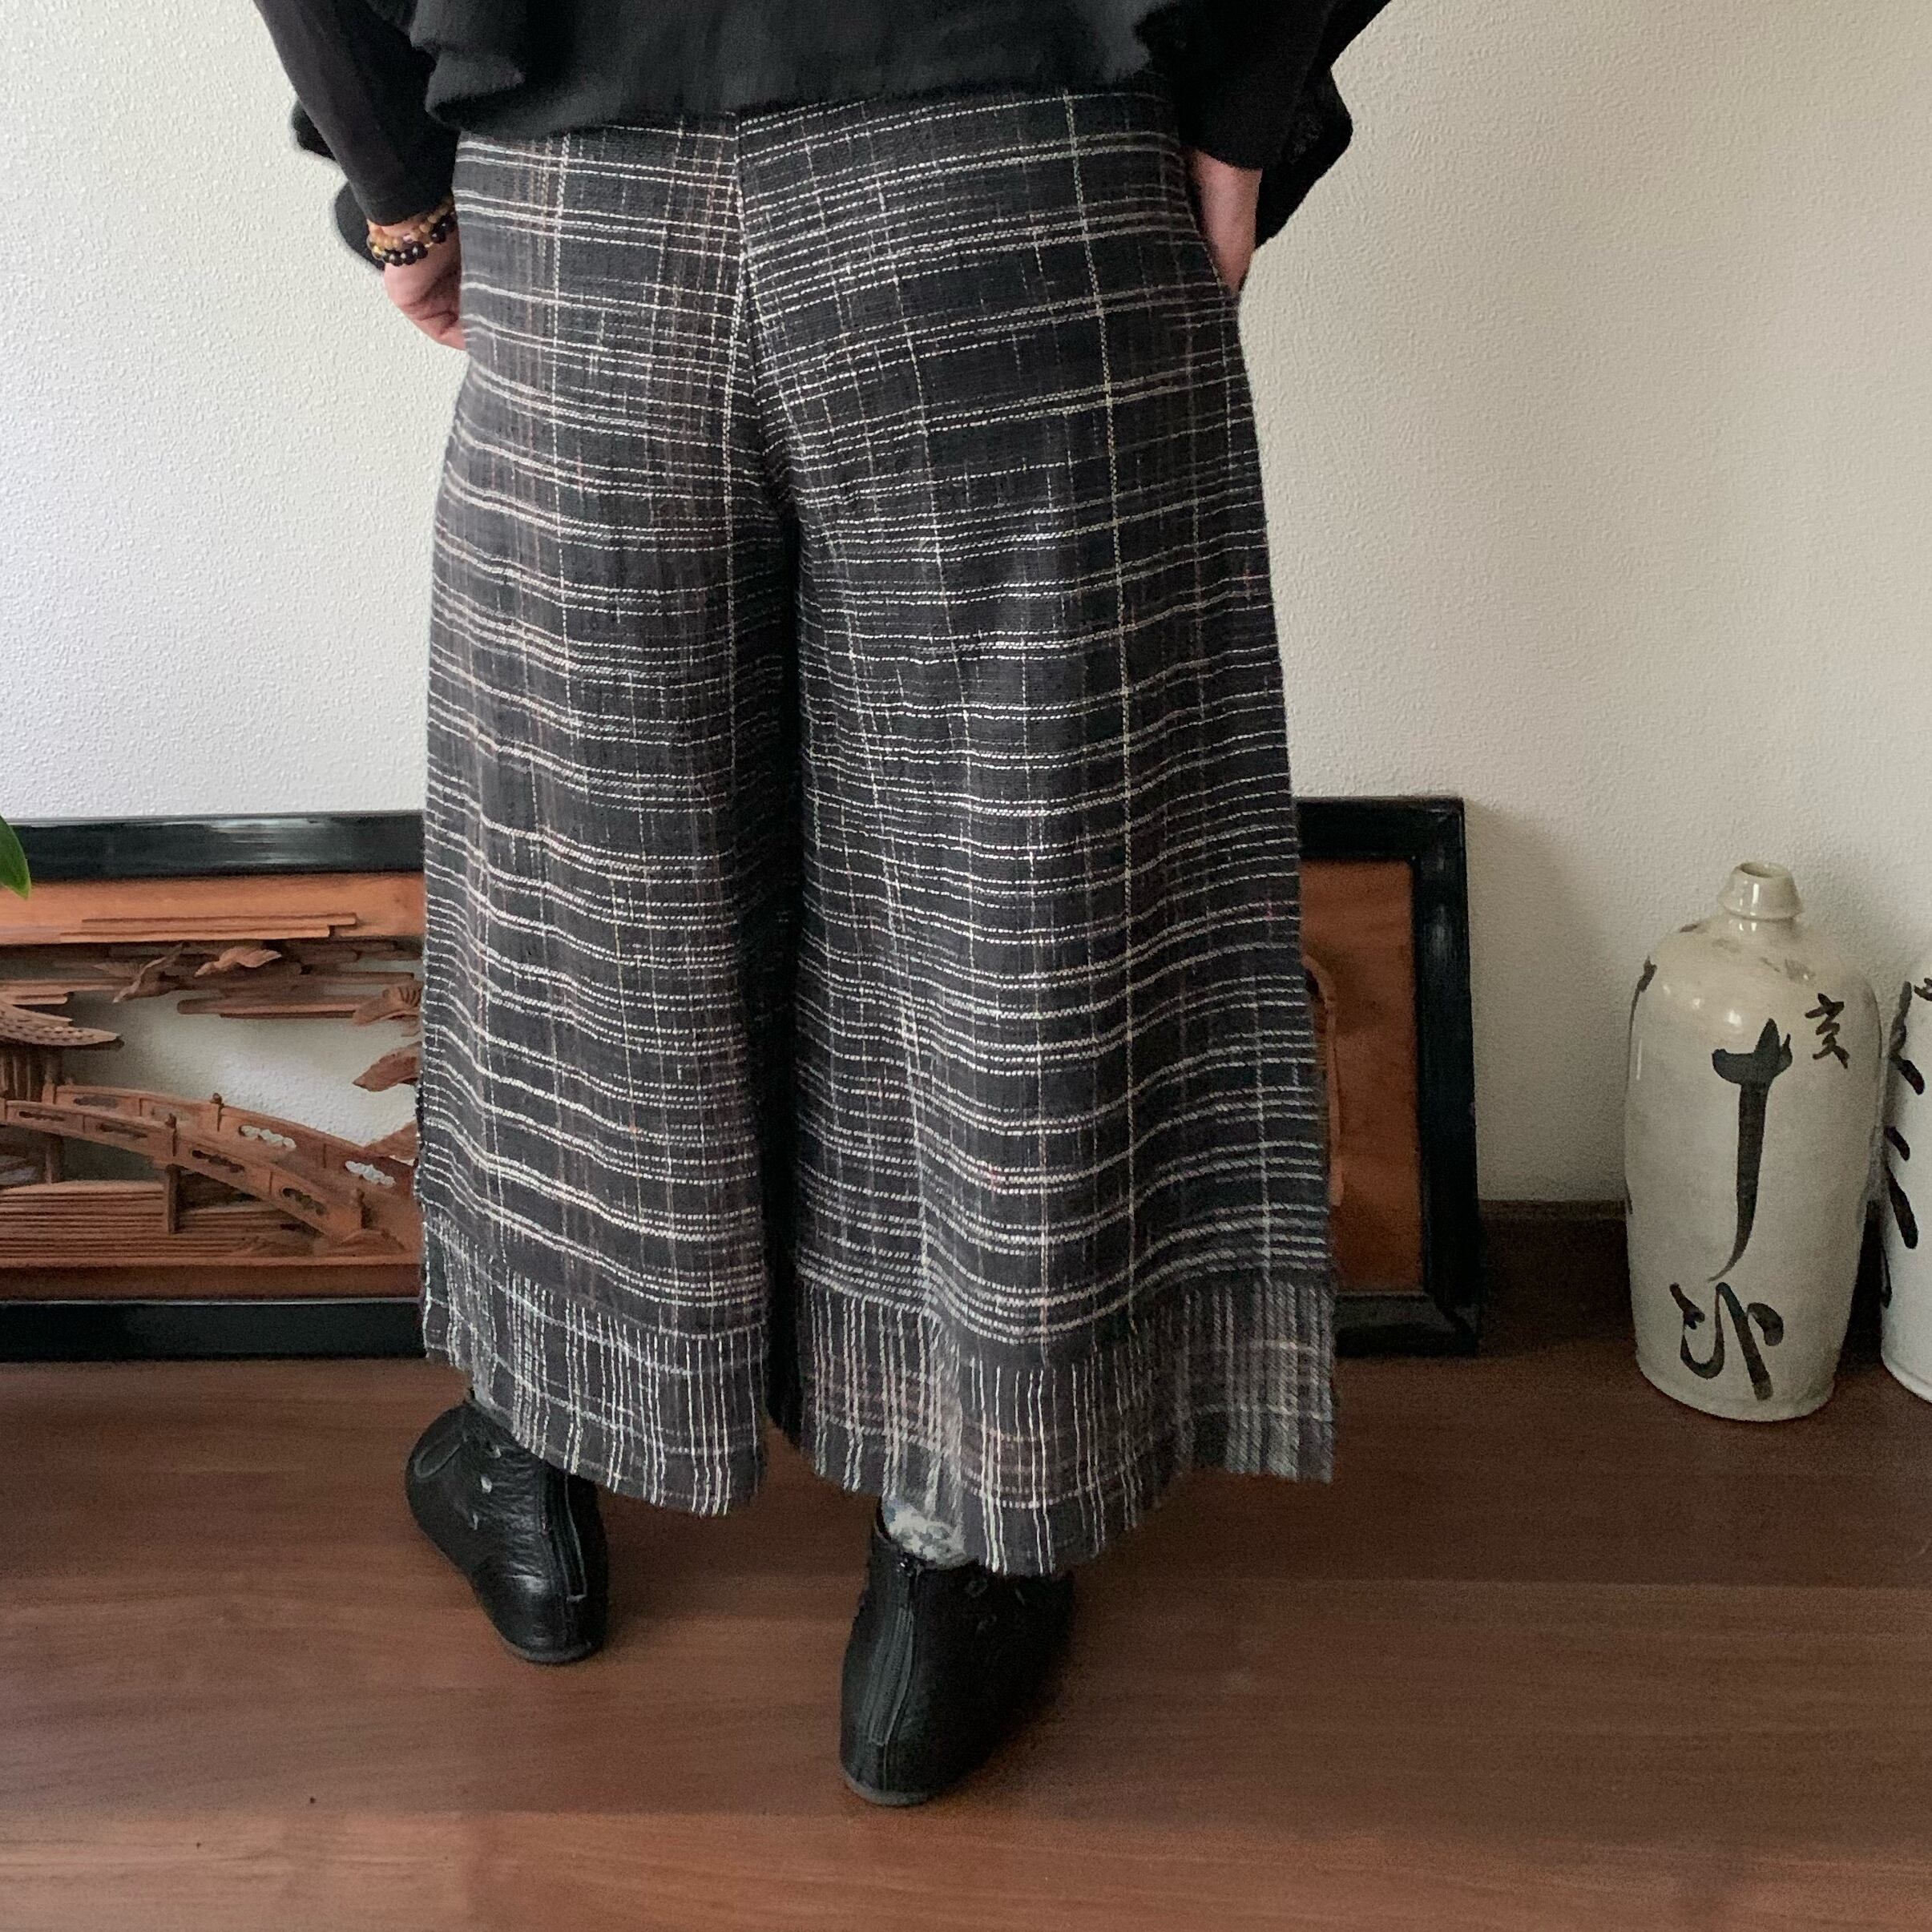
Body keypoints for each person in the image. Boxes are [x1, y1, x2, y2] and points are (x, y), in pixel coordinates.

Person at [252, 0, 1390, 1805]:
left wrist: (399, 188)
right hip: (1018, 165)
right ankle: (961, 1539)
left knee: (582, 883)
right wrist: (1248, 101)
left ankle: (540, 1454)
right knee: (1021, 892)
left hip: (584, 203)